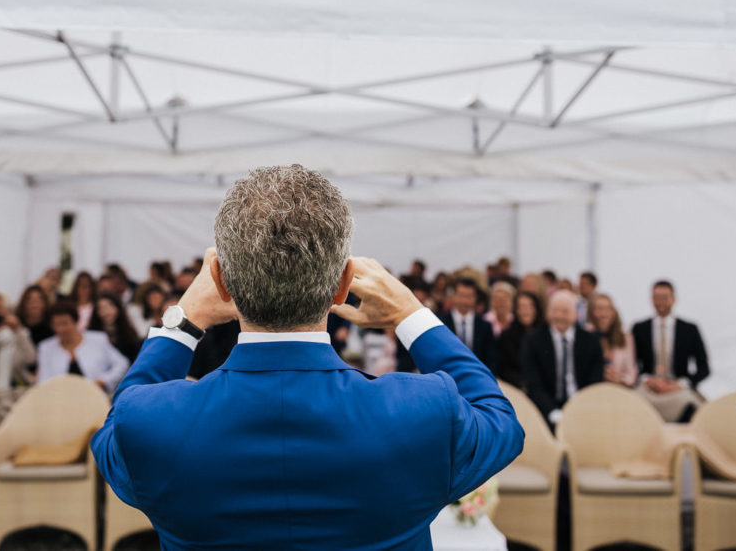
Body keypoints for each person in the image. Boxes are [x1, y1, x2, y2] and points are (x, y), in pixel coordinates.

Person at [91, 165, 524, 550]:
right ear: (343, 285)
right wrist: (412, 315)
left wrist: (181, 323)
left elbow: (116, 428)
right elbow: (499, 419)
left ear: (221, 281)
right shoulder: (423, 412)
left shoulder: (149, 422)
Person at [521, 290, 604, 429]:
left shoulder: (591, 341)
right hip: (545, 408)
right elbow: (533, 383)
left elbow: (595, 381)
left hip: (582, 406)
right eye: (555, 311)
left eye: (565, 311)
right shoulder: (533, 339)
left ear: (575, 314)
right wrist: (552, 412)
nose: (559, 316)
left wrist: (579, 410)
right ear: (548, 313)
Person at [632, 280, 710, 422]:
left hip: (678, 388)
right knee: (631, 403)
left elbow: (704, 368)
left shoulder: (689, 329)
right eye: (657, 297)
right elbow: (632, 364)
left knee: (695, 408)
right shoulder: (639, 328)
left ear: (673, 299)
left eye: (665, 297)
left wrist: (679, 384)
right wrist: (647, 379)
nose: (660, 302)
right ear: (651, 299)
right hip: (649, 388)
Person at [37, 301, 129, 392]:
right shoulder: (46, 347)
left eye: (65, 323)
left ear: (75, 321)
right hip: (59, 399)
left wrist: (104, 380)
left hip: (95, 396)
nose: (61, 329)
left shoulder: (98, 339)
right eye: (56, 324)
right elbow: (43, 379)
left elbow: (122, 364)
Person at [440, 277, 496, 375]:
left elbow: (492, 358)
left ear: (475, 298)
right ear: (453, 296)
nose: (464, 301)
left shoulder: (485, 326)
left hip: (478, 376)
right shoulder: (440, 323)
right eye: (461, 295)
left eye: (469, 296)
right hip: (447, 375)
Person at [586, 293, 637, 387]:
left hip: (618, 389)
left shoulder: (626, 338)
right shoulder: (585, 336)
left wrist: (619, 379)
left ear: (613, 312)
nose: (603, 314)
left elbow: (631, 373)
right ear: (592, 312)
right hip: (592, 389)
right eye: (599, 309)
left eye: (607, 309)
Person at [496, 291, 544, 389]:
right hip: (516, 389)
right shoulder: (507, 336)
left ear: (536, 309)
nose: (525, 311)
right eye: (521, 307)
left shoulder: (545, 335)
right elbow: (504, 369)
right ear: (516, 311)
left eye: (529, 306)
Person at [89, 293, 142, 362]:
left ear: (117, 308)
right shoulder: (92, 335)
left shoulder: (129, 335)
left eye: (109, 306)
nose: (106, 311)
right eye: (101, 308)